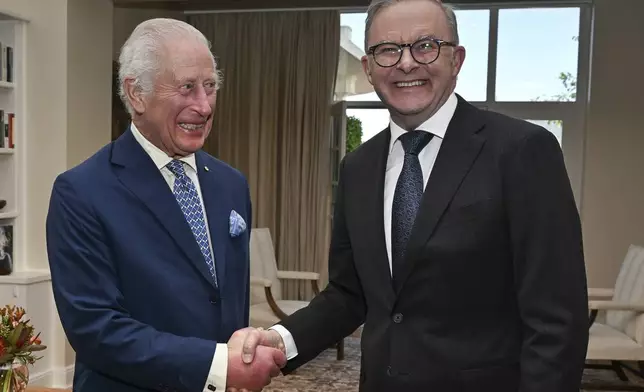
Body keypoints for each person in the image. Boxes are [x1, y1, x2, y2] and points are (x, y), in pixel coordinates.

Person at [238, 0, 590, 391]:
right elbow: (348, 294)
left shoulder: (522, 151)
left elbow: (557, 319)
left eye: (425, 45)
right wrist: (280, 340)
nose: (406, 63)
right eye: (388, 50)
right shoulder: (357, 168)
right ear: (369, 67)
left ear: (456, 59)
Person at [46, 18, 285, 392]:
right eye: (187, 88)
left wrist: (245, 353)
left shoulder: (231, 184)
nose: (204, 106)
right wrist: (218, 365)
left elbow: (227, 301)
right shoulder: (81, 192)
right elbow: (97, 330)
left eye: (210, 87)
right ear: (136, 94)